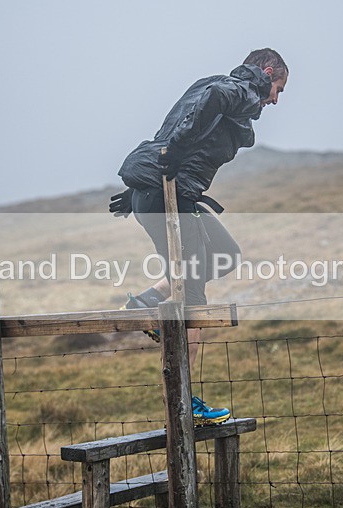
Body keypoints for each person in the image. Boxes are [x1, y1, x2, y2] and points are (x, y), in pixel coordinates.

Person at [109, 48, 288, 425]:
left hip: (166, 192)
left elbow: (179, 126)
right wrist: (167, 159)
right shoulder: (236, 89)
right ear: (267, 72)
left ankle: (147, 301)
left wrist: (145, 183)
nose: (274, 99)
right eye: (279, 89)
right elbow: (201, 113)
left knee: (226, 253)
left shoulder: (216, 87)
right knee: (193, 301)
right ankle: (183, 404)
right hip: (167, 196)